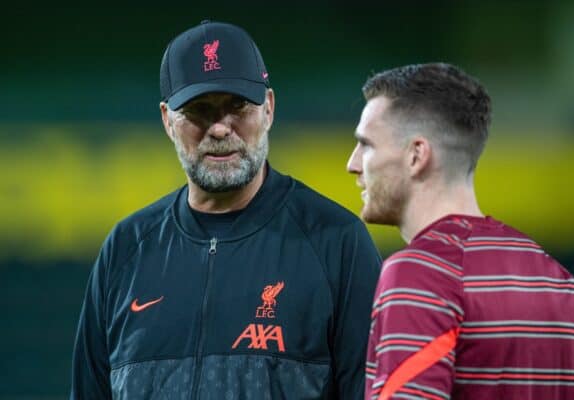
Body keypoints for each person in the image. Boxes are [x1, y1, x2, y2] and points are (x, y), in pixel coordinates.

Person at [70, 20, 381, 399]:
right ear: (168, 120)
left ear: (268, 109)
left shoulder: (335, 242)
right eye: (199, 110)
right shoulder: (126, 249)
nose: (219, 129)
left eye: (237, 106)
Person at [346, 63, 574, 400]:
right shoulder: (556, 279)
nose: (353, 164)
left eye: (367, 145)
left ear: (416, 155)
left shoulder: (420, 273)